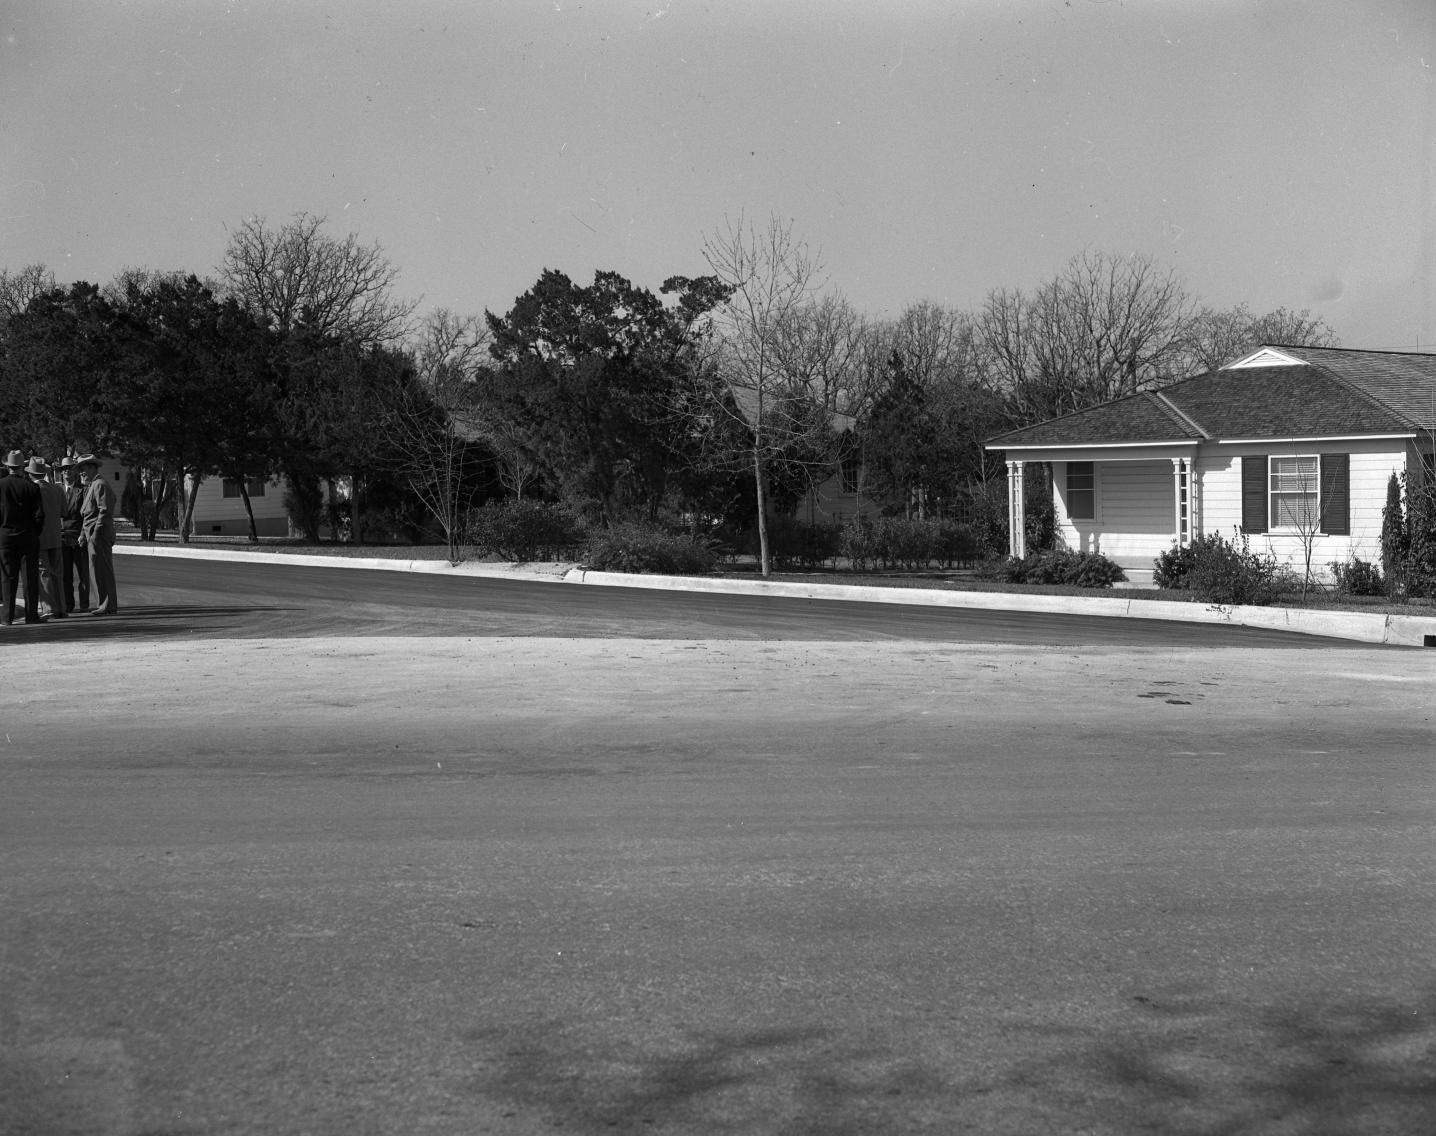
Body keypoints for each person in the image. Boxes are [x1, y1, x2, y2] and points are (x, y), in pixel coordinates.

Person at [0, 449, 45, 625]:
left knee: (7, 578)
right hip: (27, 535)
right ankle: (31, 615)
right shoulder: (32, 487)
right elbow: (39, 515)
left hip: (5, 536)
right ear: (21, 467)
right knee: (29, 577)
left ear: (8, 466)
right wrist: (35, 532)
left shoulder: (1, 485)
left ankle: (7, 617)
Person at [78, 454, 118, 616]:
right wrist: (83, 534)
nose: (81, 473)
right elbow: (89, 514)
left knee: (102, 569)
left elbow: (104, 511)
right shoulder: (93, 485)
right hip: (93, 534)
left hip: (99, 534)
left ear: (93, 468)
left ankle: (107, 605)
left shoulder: (99, 484)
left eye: (84, 469)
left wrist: (95, 533)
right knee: (96, 570)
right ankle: (104, 604)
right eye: (80, 469)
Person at [27, 457, 67, 618]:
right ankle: (62, 608)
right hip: (55, 535)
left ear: (30, 474)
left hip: (40, 537)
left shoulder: (32, 490)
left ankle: (49, 607)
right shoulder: (58, 489)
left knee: (43, 572)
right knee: (57, 573)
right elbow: (64, 512)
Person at [59, 457, 91, 613]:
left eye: (70, 468)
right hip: (62, 537)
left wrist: (83, 534)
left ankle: (84, 604)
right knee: (65, 575)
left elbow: (86, 515)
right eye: (64, 469)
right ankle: (68, 604)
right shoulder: (57, 490)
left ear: (75, 471)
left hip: (78, 537)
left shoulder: (83, 490)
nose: (67, 471)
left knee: (83, 574)